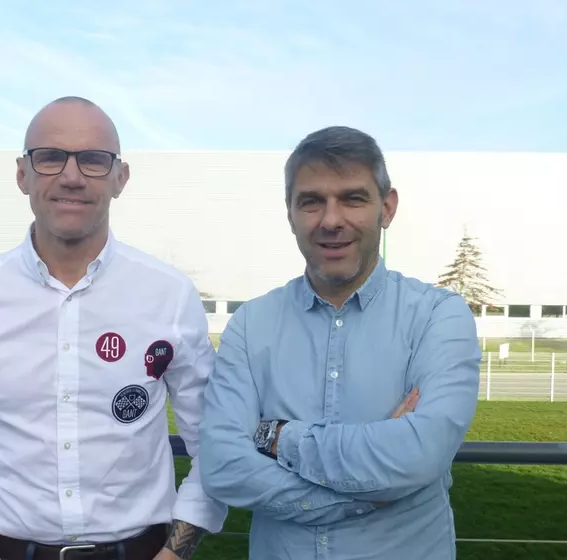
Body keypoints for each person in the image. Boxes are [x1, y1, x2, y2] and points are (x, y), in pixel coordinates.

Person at [0, 96, 227, 560]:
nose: (71, 176)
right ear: (22, 174)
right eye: (50, 157)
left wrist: (175, 553)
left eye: (93, 160)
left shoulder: (170, 295)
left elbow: (215, 443)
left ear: (120, 178)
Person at [198, 126, 481, 559]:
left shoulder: (437, 315)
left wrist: (277, 437)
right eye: (311, 201)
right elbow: (223, 467)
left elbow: (419, 455)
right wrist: (365, 496)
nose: (331, 220)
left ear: (387, 208)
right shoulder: (251, 324)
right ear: (290, 213)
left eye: (353, 198)